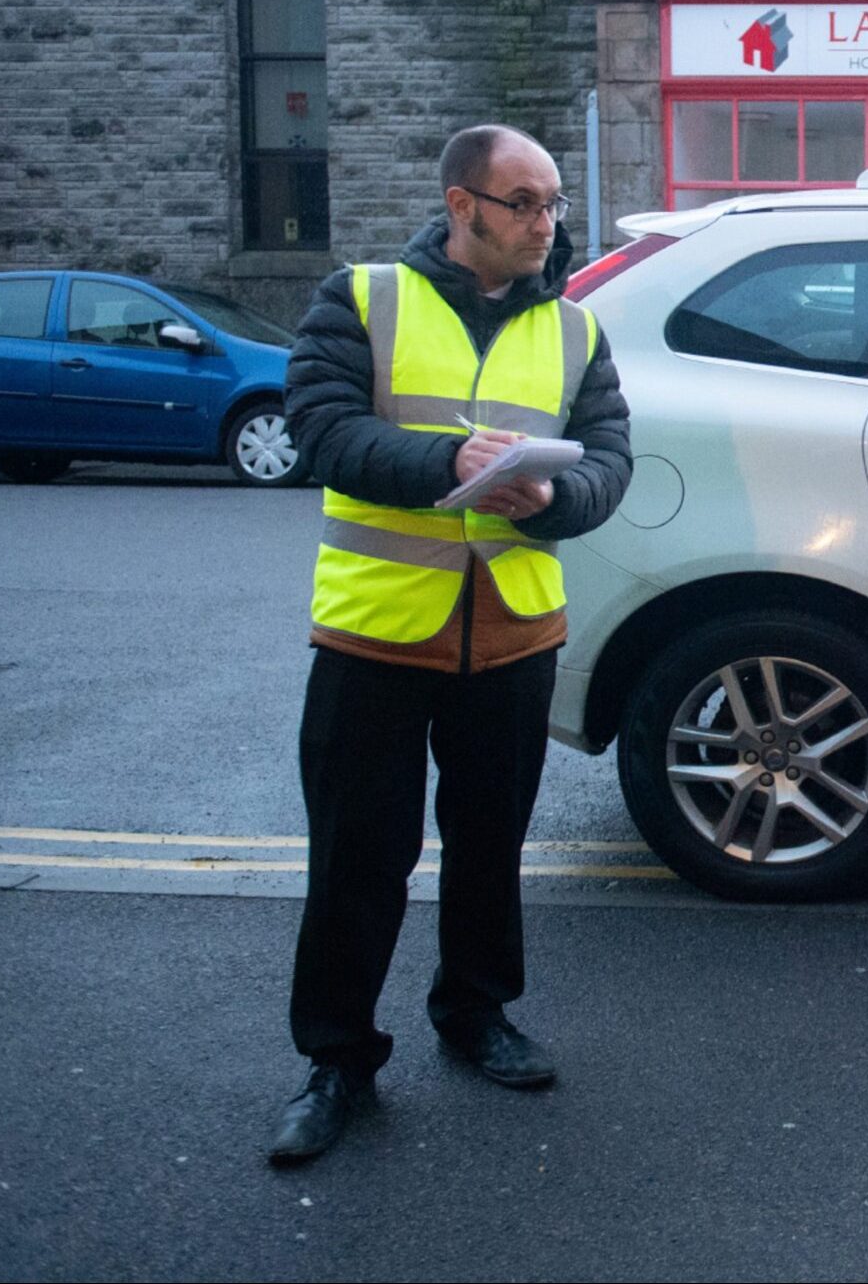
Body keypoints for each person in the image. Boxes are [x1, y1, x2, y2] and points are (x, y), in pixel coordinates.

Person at [266, 125, 632, 1164]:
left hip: (515, 633)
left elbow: (611, 459)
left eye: (554, 203)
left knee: (490, 847)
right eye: (524, 203)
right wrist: (445, 460)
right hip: (377, 634)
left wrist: (556, 494)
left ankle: (476, 1015)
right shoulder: (364, 298)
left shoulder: (574, 331)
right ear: (462, 205)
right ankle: (337, 1058)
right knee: (356, 859)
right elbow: (321, 428)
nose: (545, 223)